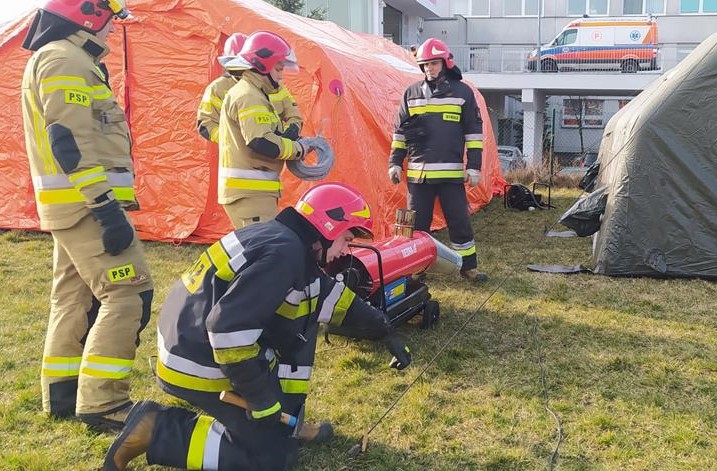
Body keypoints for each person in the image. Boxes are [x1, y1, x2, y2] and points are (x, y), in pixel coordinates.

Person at [103, 182, 412, 471]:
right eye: (347, 239)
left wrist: (385, 330)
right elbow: (227, 331)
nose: (346, 251)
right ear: (329, 227)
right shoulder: (284, 254)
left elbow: (330, 297)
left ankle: (288, 426)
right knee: (270, 457)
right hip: (199, 359)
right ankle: (157, 428)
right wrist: (261, 398)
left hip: (191, 342)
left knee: (291, 345)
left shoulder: (287, 242)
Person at [20, 0, 154, 431]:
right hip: (87, 207)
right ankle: (104, 403)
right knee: (127, 294)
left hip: (74, 205)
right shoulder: (65, 59)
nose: (115, 30)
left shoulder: (63, 57)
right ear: (90, 15)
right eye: (113, 21)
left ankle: (62, 393)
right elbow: (69, 142)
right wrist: (104, 206)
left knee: (73, 299)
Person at [388, 37, 488, 281]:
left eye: (433, 63)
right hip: (418, 176)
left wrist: (474, 168)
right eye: (425, 64)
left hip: (451, 176)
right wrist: (394, 162)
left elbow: (474, 135)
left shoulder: (463, 92)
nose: (429, 69)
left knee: (459, 222)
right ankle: (414, 270)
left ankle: (468, 268)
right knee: (416, 227)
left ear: (445, 63)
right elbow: (400, 133)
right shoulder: (410, 93)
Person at [217, 31, 308, 229]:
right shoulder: (249, 95)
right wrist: (297, 148)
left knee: (262, 249)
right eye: (278, 68)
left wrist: (287, 134)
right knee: (261, 252)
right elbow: (260, 141)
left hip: (254, 194)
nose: (281, 73)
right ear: (262, 66)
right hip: (249, 194)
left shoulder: (255, 92)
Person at [196, 32, 248, 144]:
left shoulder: (265, 85)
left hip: (266, 157)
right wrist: (232, 140)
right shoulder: (217, 88)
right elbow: (205, 124)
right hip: (236, 157)